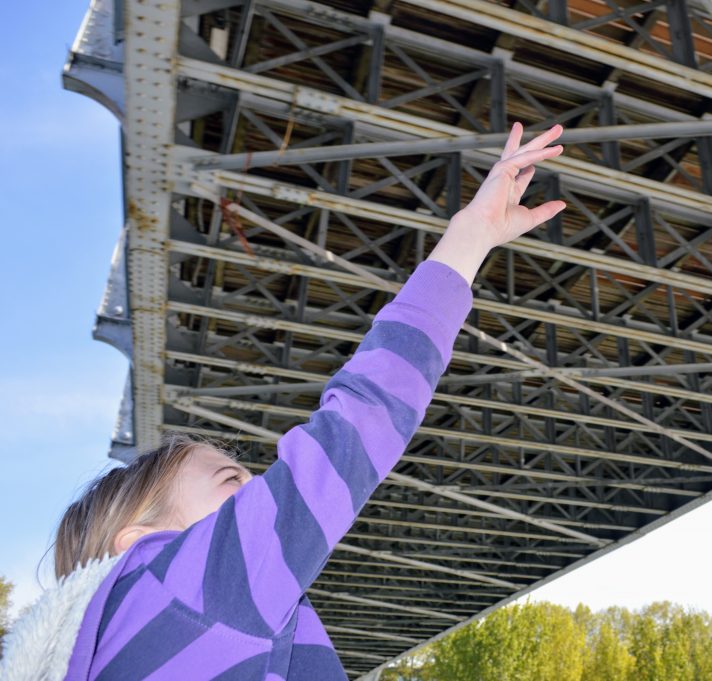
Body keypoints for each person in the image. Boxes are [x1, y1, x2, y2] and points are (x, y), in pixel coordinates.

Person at [0, 123, 566, 681]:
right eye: (232, 483)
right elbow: (361, 418)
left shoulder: (137, 640)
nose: (262, 491)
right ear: (143, 541)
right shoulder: (183, 580)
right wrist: (469, 236)